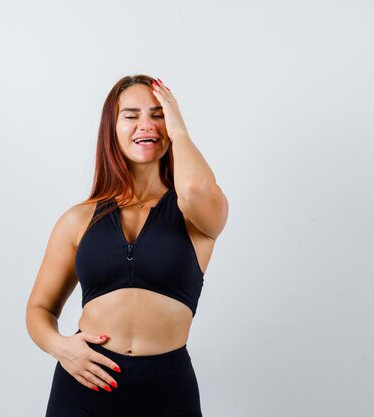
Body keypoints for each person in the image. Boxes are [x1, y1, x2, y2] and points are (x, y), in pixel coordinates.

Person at [26, 74, 229, 417]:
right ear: (112, 128)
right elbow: (38, 310)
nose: (145, 125)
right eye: (131, 116)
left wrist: (178, 128)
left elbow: (194, 189)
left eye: (158, 114)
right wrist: (61, 347)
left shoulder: (197, 213)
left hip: (168, 390)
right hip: (86, 384)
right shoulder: (78, 219)